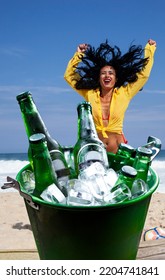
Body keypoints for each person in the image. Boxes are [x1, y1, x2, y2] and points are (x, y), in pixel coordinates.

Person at [64, 39, 156, 153]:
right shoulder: (90, 93)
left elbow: (144, 75)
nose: (107, 75)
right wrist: (79, 54)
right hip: (95, 152)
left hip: (118, 153)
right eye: (103, 73)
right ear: (99, 78)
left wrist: (149, 50)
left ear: (116, 79)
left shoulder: (125, 93)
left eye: (111, 73)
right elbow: (69, 76)